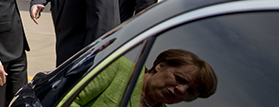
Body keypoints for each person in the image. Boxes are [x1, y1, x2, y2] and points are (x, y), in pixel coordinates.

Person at [71, 49, 218, 107]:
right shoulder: (118, 67)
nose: (181, 90)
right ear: (160, 66)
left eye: (191, 92)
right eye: (179, 79)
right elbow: (68, 101)